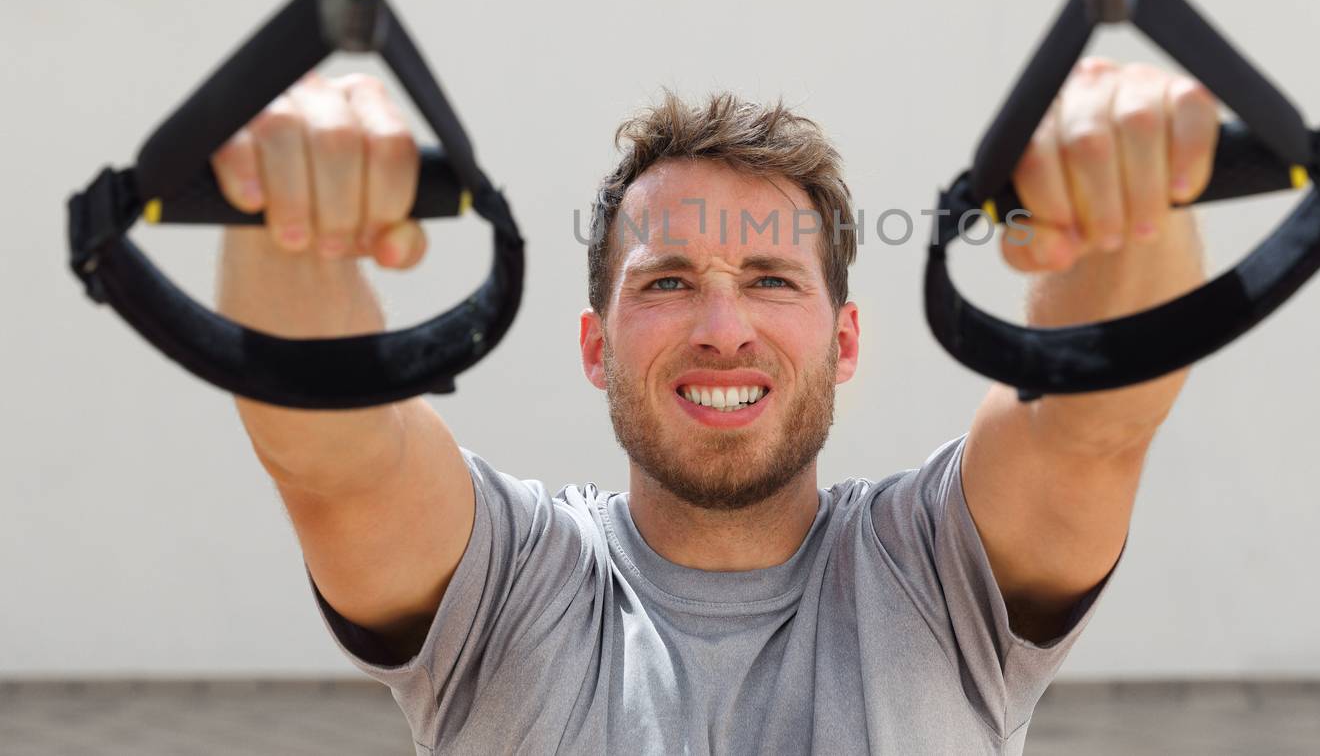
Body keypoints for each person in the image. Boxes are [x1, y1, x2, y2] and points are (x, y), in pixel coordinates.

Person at [211, 58, 1218, 755]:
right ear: (596, 347)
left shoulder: (936, 566)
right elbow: (333, 452)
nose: (722, 327)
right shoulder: (511, 582)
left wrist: (1128, 201)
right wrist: (290, 219)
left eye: (774, 279)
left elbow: (1096, 412)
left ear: (846, 340)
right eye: (667, 281)